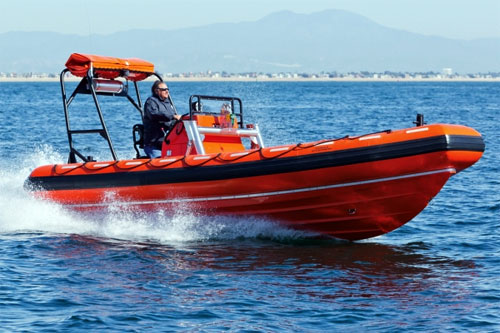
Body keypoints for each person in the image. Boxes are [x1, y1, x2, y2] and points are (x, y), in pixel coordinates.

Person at [143, 80, 181, 158]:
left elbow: (172, 118)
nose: (167, 91)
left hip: (167, 141)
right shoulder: (151, 102)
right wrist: (172, 116)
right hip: (154, 143)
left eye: (167, 89)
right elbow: (154, 114)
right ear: (156, 91)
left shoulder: (167, 103)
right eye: (164, 89)